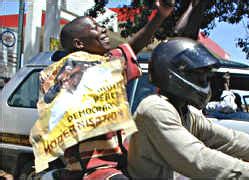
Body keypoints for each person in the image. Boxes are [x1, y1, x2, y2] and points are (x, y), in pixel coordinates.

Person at [127, 38, 249, 179]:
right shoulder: (155, 109)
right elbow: (197, 158)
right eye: (201, 77)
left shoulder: (186, 111)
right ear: (177, 76)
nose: (206, 85)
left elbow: (227, 139)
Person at [38, 1, 173, 179]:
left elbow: (131, 48)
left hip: (122, 159)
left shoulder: (102, 61)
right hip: (93, 166)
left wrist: (160, 15)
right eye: (94, 28)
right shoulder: (66, 70)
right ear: (79, 43)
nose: (103, 29)